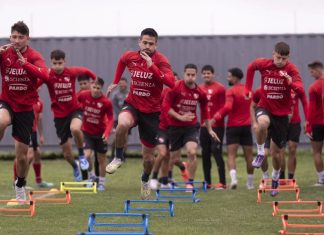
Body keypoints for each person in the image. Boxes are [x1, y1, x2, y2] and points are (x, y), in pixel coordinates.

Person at [105, 28, 175, 199]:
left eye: (151, 44)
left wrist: (153, 67)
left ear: (156, 45)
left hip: (151, 113)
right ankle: (119, 157)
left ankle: (145, 179)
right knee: (122, 123)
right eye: (145, 42)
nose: (147, 46)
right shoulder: (131, 56)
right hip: (133, 104)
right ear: (139, 42)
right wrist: (115, 82)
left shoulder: (161, 61)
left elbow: (171, 82)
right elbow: (122, 62)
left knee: (149, 159)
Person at [245, 41, 305, 196]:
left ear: (288, 58)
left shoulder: (291, 69)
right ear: (273, 54)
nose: (280, 61)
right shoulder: (264, 64)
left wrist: (291, 83)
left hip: (281, 114)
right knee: (262, 124)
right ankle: (259, 153)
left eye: (283, 59)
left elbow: (300, 88)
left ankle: (276, 177)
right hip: (265, 107)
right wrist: (247, 88)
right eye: (278, 57)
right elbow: (251, 67)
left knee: (276, 153)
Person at [0, 21, 49, 201]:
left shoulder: (34, 55)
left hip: (26, 109)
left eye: (21, 37)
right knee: (1, 121)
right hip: (7, 102)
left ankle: (19, 184)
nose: (17, 40)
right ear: (10, 37)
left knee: (21, 157)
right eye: (14, 36)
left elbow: (45, 74)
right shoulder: (5, 53)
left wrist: (26, 64)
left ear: (27, 38)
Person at [41, 49, 96, 182]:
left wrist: (94, 82)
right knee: (66, 154)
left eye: (60, 63)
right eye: (55, 63)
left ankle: (82, 156)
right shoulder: (48, 75)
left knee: (75, 129)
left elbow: (87, 71)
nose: (58, 66)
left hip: (74, 110)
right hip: (59, 116)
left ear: (64, 62)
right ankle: (75, 166)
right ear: (51, 62)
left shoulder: (71, 72)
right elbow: (36, 80)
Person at [163, 64, 219, 190]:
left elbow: (205, 111)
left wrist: (210, 129)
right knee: (174, 158)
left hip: (191, 127)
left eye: (193, 75)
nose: (190, 77)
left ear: (196, 75)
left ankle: (190, 182)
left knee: (192, 152)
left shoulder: (199, 92)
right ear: (184, 74)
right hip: (174, 126)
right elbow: (166, 107)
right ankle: (182, 166)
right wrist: (179, 117)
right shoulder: (175, 87)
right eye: (188, 75)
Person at [213, 68, 254, 189]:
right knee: (249, 156)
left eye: (229, 76)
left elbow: (228, 107)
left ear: (235, 77)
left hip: (233, 127)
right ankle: (250, 184)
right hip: (246, 127)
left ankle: (234, 180)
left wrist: (215, 117)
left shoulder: (231, 91)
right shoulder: (249, 91)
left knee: (231, 155)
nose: (228, 78)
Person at [78, 77, 113, 191]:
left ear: (101, 88)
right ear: (91, 86)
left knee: (101, 158)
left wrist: (107, 133)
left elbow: (111, 119)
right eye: (94, 87)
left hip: (100, 134)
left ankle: (102, 182)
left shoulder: (106, 102)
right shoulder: (83, 95)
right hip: (87, 132)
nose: (96, 90)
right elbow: (74, 101)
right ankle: (91, 176)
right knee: (87, 156)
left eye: (98, 88)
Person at [13, 97, 54, 188]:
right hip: (23, 129)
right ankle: (18, 182)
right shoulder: (23, 98)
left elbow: (39, 119)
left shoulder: (40, 102)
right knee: (27, 155)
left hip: (33, 132)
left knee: (37, 153)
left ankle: (38, 181)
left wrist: (41, 135)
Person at [198, 65, 226, 190]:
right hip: (203, 127)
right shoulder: (199, 88)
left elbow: (224, 107)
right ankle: (207, 183)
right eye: (204, 73)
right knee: (205, 153)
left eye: (208, 73)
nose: (206, 76)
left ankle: (222, 182)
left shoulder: (220, 88)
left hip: (217, 126)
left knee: (216, 151)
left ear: (213, 74)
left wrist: (215, 119)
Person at [279, 87, 308, 181]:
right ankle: (281, 177)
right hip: (281, 123)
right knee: (280, 151)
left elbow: (304, 102)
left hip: (294, 123)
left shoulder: (297, 88)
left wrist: (307, 120)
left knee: (292, 149)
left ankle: (291, 178)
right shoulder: (277, 86)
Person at [306, 61, 324, 185]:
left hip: (318, 123)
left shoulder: (314, 87)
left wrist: (308, 126)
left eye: (312, 72)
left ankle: (322, 179)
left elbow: (311, 109)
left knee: (317, 151)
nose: (311, 75)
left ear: (317, 70)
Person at [250, 87, 270, 181]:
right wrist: (254, 123)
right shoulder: (259, 90)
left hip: (277, 124)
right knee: (265, 155)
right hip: (265, 128)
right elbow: (252, 106)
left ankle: (278, 176)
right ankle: (265, 175)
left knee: (278, 154)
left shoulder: (281, 90)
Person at [110, 77, 130, 160]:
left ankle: (123, 155)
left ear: (126, 84)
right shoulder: (115, 94)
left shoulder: (129, 93)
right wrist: (119, 116)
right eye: (120, 83)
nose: (122, 85)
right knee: (116, 138)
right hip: (117, 118)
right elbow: (114, 107)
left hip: (127, 118)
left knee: (125, 138)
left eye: (124, 83)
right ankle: (112, 155)